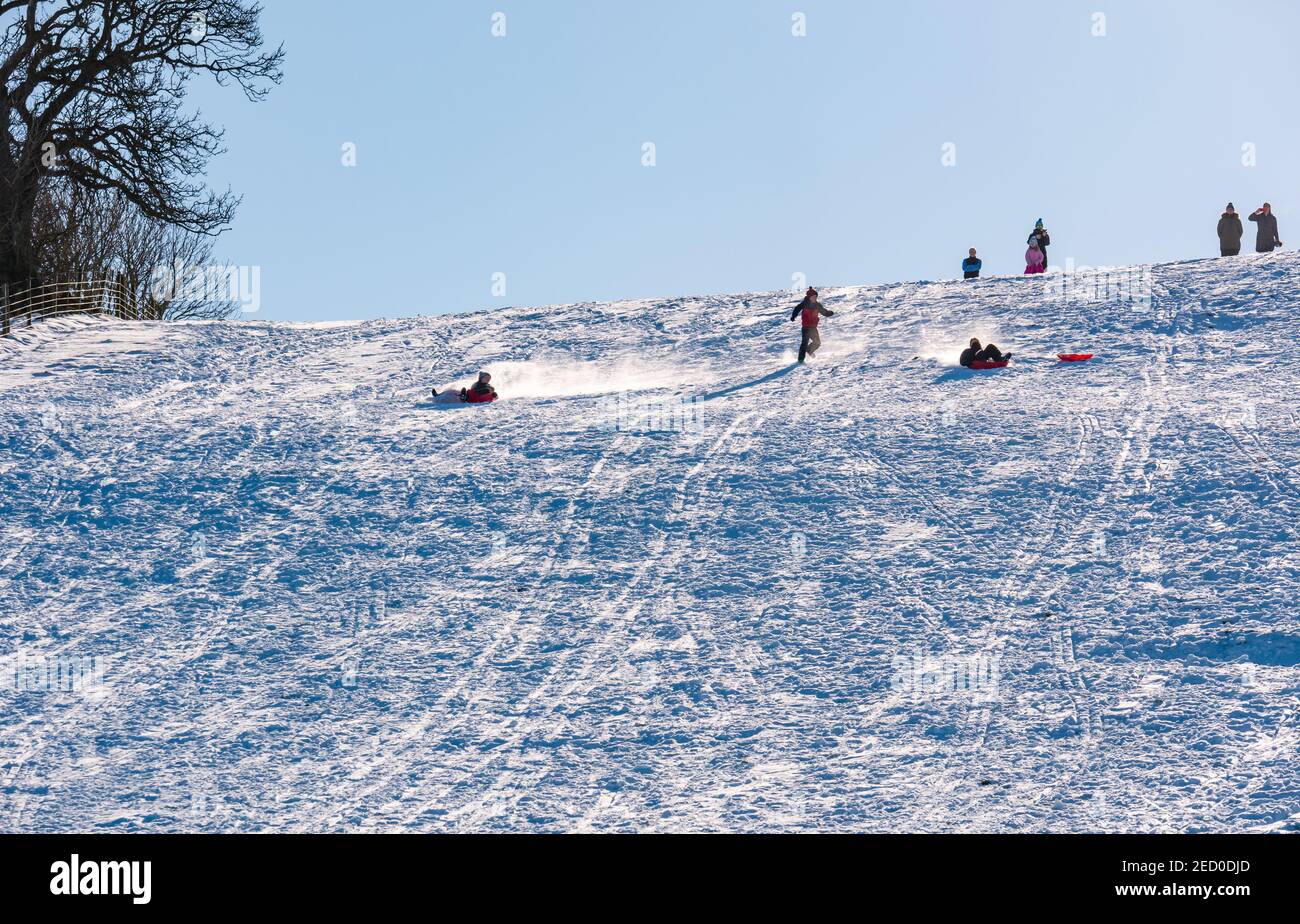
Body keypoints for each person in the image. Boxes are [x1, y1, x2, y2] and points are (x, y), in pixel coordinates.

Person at [789, 287, 834, 363]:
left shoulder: (817, 305)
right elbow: (797, 309)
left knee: (817, 343)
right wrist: (794, 316)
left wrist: (829, 313)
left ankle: (809, 350)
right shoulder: (804, 304)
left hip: (813, 328)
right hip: (806, 328)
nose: (815, 298)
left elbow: (823, 312)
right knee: (804, 343)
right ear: (809, 297)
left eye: (816, 297)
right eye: (813, 297)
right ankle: (800, 360)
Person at [433, 371, 498, 404]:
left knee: (454, 394)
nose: (488, 379)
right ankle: (438, 395)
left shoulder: (488, 386)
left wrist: (491, 392)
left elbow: (492, 391)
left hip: (475, 399)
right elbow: (473, 389)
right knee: (451, 391)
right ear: (481, 378)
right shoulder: (477, 384)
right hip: (470, 395)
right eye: (486, 378)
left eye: (489, 378)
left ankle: (463, 397)